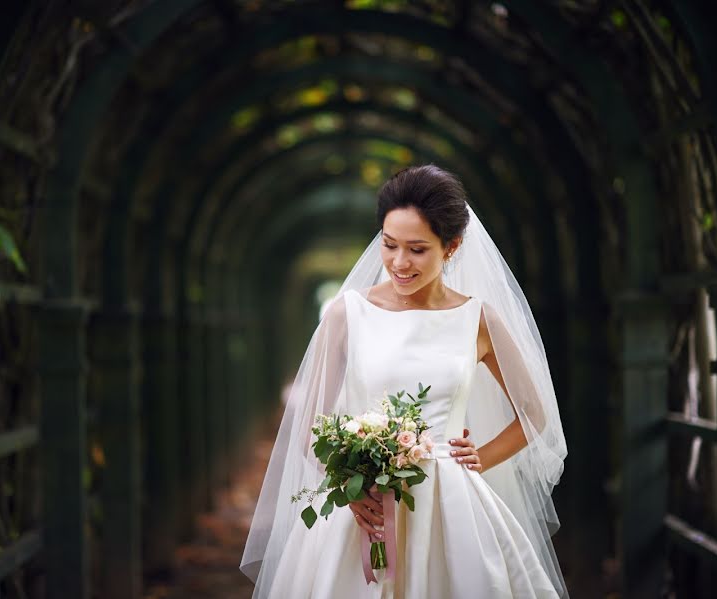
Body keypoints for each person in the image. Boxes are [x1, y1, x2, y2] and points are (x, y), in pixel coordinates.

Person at [241, 165, 567, 598]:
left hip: (451, 507)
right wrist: (349, 487)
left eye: (417, 249)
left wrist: (479, 460)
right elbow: (311, 427)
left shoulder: (479, 319)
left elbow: (533, 413)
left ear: (451, 247)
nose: (399, 262)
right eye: (390, 245)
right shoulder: (347, 314)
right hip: (364, 503)